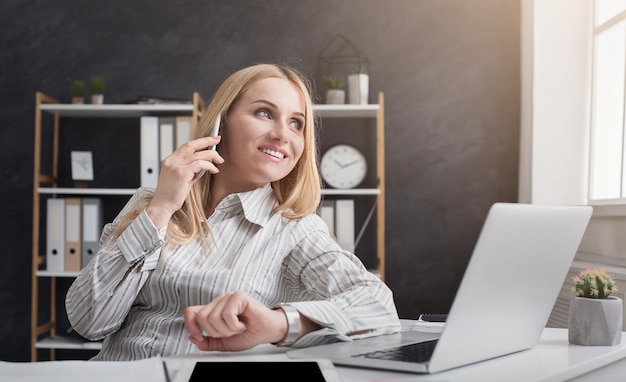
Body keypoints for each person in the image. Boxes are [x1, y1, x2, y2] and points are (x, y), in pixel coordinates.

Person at [65, 63, 401, 361]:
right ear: (220, 124)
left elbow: (378, 306)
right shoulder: (150, 204)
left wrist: (279, 323)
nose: (283, 134)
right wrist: (162, 207)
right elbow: (89, 322)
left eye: (297, 123)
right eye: (264, 113)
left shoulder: (295, 229)